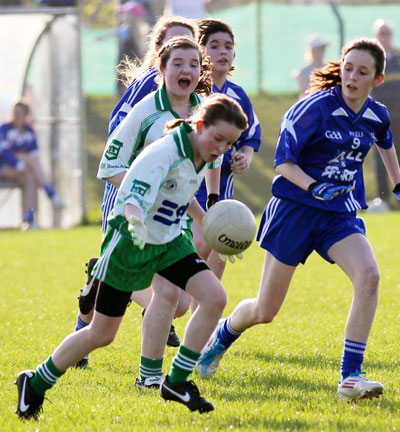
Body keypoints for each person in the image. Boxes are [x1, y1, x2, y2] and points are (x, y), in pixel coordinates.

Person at [196, 38, 400, 402]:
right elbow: (283, 164)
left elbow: (384, 140)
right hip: (295, 210)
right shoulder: (312, 109)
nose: (352, 77)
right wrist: (314, 187)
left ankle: (350, 377)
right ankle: (221, 337)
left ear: (378, 79)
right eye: (348, 68)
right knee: (266, 309)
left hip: (338, 213)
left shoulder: (377, 113)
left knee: (369, 276)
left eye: (362, 72)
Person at [15, 93, 248, 419]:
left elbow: (180, 195)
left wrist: (210, 225)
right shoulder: (164, 153)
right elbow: (131, 196)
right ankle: (35, 381)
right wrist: (136, 220)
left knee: (214, 298)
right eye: (219, 138)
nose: (221, 148)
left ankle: (176, 381)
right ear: (198, 124)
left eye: (229, 143)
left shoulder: (204, 151)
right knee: (101, 334)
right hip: (130, 242)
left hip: (168, 241)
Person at [74, 35, 212, 370]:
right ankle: (152, 376)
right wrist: (146, 191)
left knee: (178, 305)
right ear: (161, 69)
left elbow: (198, 170)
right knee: (160, 300)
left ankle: (101, 274)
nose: (186, 70)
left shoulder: (203, 111)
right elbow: (109, 167)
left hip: (170, 217)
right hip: (132, 213)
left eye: (193, 64)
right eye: (177, 63)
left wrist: (209, 216)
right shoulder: (145, 110)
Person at [192, 18, 261, 280]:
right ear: (200, 51)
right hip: (192, 187)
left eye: (228, 46)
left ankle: (204, 318)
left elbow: (250, 134)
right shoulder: (192, 91)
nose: (223, 52)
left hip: (222, 188)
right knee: (200, 246)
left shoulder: (238, 94)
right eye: (215, 45)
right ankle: (165, 305)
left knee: (218, 256)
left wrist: (245, 155)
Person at [370, 19, 400, 211]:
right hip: (379, 117)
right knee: (381, 155)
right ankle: (383, 198)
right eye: (381, 32)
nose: (385, 36)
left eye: (387, 32)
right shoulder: (372, 57)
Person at [0, 101, 65, 230]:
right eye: (14, 113)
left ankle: (30, 220)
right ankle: (50, 192)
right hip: (5, 168)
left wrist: (22, 164)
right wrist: (18, 163)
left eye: (20, 113)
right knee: (30, 160)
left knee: (30, 179)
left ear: (26, 115)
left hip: (23, 170)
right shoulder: (5, 128)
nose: (16, 116)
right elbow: (4, 151)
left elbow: (35, 152)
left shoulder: (29, 130)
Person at [292, 34, 329, 100]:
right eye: (320, 48)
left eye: (323, 48)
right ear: (312, 51)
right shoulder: (302, 71)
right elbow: (305, 90)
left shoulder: (329, 68)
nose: (323, 51)